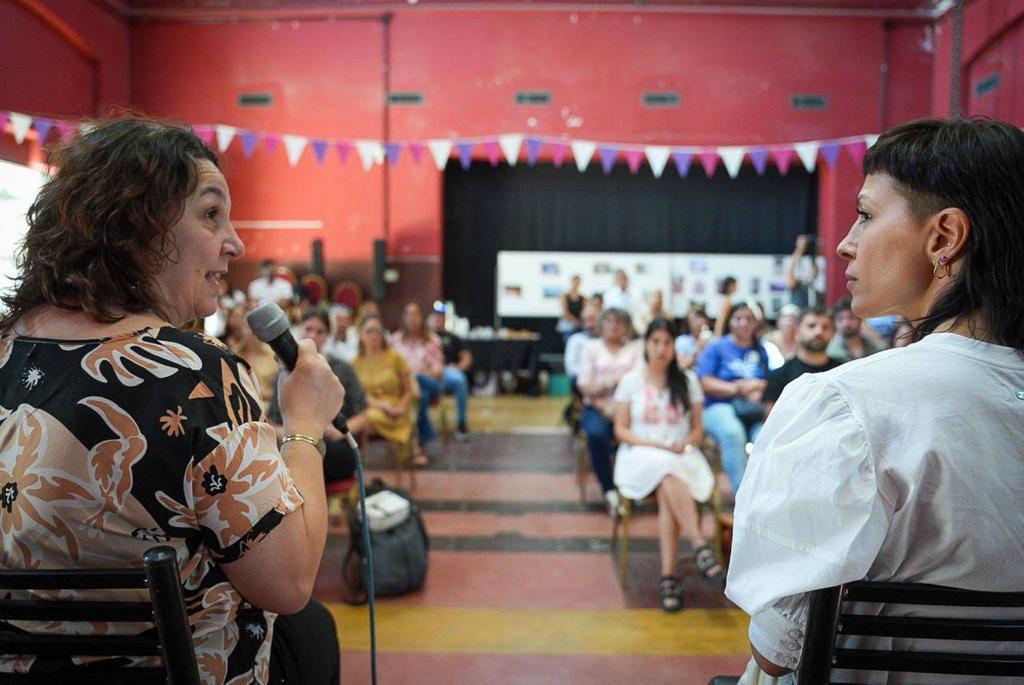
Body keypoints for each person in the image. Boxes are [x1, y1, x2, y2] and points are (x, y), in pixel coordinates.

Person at [0, 117, 344, 684]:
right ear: (133, 227)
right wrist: (305, 426)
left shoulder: (8, 349)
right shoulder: (193, 374)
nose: (235, 243)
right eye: (210, 214)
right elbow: (287, 583)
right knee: (313, 629)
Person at [726, 117, 1024, 682]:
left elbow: (777, 650)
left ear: (945, 237)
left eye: (865, 215)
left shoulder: (845, 404)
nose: (846, 243)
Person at [612, 318, 722, 612]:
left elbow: (698, 430)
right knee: (665, 469)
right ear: (646, 344)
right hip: (640, 452)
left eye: (667, 343)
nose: (661, 349)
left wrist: (685, 444)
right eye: (655, 342)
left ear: (675, 346)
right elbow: (620, 430)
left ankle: (669, 577)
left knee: (667, 482)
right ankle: (698, 544)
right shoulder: (630, 380)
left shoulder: (688, 381)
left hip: (679, 453)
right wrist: (655, 446)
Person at [267, 308, 369, 483]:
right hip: (293, 442)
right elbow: (272, 420)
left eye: (320, 331)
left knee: (320, 453)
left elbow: (365, 414)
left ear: (328, 336)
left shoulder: (343, 369)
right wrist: (291, 434)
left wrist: (340, 431)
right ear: (300, 331)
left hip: (332, 444)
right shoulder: (285, 371)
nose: (312, 335)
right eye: (308, 329)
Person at [696, 302, 769, 494]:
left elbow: (768, 381)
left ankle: (763, 492)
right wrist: (738, 388)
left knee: (766, 435)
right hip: (719, 405)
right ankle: (742, 494)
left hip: (752, 408)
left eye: (749, 318)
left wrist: (758, 387)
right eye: (738, 318)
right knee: (733, 433)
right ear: (730, 322)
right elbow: (705, 382)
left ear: (756, 323)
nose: (744, 323)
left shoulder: (761, 350)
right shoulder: (716, 348)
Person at [577, 308, 643, 515]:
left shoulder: (636, 348)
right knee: (596, 434)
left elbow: (639, 380)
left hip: (630, 406)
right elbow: (585, 386)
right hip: (598, 406)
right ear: (601, 324)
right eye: (609, 321)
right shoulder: (591, 348)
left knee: (640, 434)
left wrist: (608, 388)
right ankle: (609, 490)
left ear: (627, 326)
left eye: (619, 322)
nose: (614, 326)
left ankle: (633, 487)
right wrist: (608, 394)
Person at [352, 313, 420, 465]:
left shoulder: (395, 358)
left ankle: (341, 440)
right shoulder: (355, 363)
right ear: (361, 334)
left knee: (361, 421)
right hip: (370, 407)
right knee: (366, 416)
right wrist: (382, 405)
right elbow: (358, 396)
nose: (373, 335)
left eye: (377, 330)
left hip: (395, 411)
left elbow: (409, 390)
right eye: (369, 331)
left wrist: (401, 407)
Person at [391, 302, 446, 463]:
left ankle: (415, 444)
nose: (412, 318)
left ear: (422, 318)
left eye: (416, 314)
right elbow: (391, 368)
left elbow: (438, 370)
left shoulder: (432, 340)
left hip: (429, 382)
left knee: (418, 381)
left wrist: (415, 376)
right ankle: (419, 446)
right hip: (405, 389)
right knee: (420, 397)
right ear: (403, 318)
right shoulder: (394, 340)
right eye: (408, 314)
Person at [763, 306, 839, 414]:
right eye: (811, 326)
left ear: (833, 333)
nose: (818, 331)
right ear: (797, 330)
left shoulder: (842, 371)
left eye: (825, 327)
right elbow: (770, 418)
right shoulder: (779, 376)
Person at [427, 310, 472, 440]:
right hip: (428, 372)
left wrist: (458, 368)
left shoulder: (453, 337)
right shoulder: (426, 337)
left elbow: (467, 357)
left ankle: (461, 424)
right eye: (435, 318)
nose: (438, 320)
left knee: (460, 380)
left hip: (448, 371)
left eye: (440, 318)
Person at [224, 302, 278, 407]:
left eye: (256, 328)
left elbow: (280, 391)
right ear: (241, 328)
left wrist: (262, 395)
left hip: (269, 408)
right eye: (248, 327)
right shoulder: (232, 355)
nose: (252, 332)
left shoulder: (274, 355)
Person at [826, 297, 886, 362]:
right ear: (834, 323)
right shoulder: (831, 352)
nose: (846, 323)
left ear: (860, 320)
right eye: (840, 319)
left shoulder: (876, 348)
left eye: (851, 318)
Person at [786, 234, 821, 307]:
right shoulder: (794, 259)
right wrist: (799, 249)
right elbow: (791, 282)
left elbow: (816, 277)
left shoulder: (813, 260)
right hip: (798, 294)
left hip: (810, 295)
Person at [674, 306, 713, 370]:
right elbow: (682, 365)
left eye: (702, 317)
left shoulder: (713, 340)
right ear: (688, 323)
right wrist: (699, 347)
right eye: (695, 319)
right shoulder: (681, 341)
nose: (700, 322)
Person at [557, 274, 587, 342]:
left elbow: (584, 312)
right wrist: (576, 322)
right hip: (568, 323)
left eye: (577, 282)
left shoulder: (583, 298)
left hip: (579, 323)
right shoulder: (565, 296)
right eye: (574, 282)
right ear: (571, 282)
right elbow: (565, 313)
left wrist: (580, 323)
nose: (576, 284)